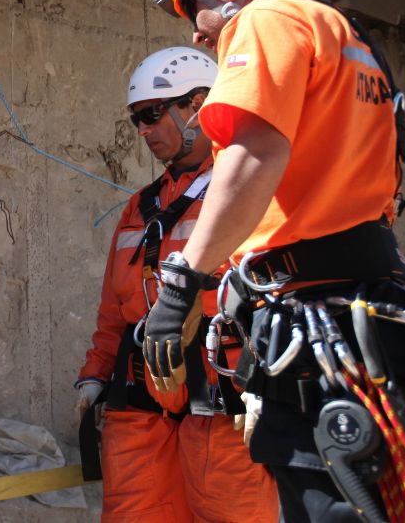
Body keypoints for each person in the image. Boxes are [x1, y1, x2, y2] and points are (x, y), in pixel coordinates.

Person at [143, 0, 405, 522]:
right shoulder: (352, 43)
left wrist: (180, 287)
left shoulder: (268, 21)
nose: (197, 31)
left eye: (195, 7)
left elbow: (253, 155)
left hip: (322, 328)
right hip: (370, 319)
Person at [75, 46, 277, 522]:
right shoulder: (140, 208)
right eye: (136, 121)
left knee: (233, 512)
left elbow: (276, 293)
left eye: (151, 114)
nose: (143, 131)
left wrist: (270, 379)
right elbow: (114, 306)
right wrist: (95, 375)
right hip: (141, 399)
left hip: (224, 395)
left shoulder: (250, 188)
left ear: (199, 105)